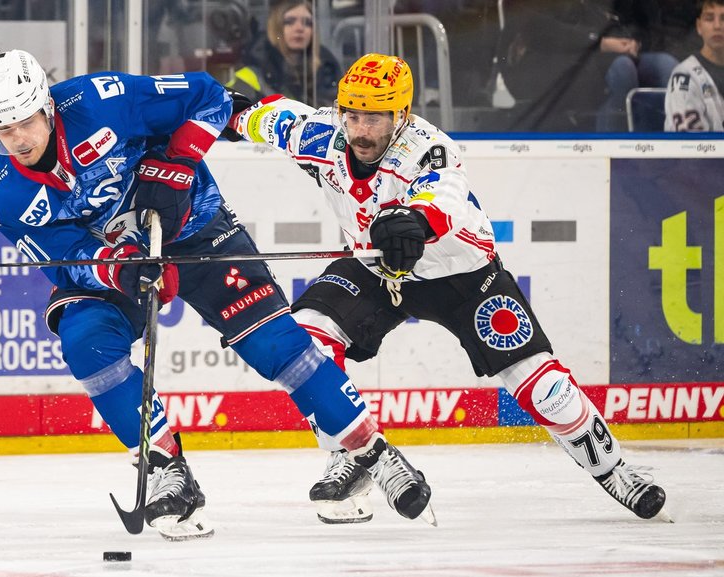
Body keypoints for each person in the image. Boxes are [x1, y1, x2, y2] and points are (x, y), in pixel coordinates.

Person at [0, 49, 434, 540]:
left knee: (277, 346)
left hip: (197, 229)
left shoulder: (102, 99)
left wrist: (177, 160)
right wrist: (121, 270)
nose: (16, 139)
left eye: (24, 122)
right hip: (120, 263)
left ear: (47, 107)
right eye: (2, 130)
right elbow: (66, 257)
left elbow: (209, 96)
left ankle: (373, 453)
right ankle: (166, 470)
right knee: (85, 341)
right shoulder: (1, 192)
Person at [225, 53, 668, 523]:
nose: (360, 130)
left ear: (401, 115)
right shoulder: (322, 134)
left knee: (543, 387)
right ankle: (351, 457)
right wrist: (228, 114)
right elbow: (268, 116)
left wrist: (413, 219)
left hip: (461, 272)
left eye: (374, 117)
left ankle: (615, 469)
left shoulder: (428, 147)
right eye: (352, 114)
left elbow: (446, 197)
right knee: (307, 339)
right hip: (376, 268)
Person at [498, 0, 677, 131]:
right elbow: (538, 30)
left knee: (666, 67)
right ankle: (613, 151)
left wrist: (631, 42)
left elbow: (619, 20)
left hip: (595, 55)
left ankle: (662, 154)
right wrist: (600, 42)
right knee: (622, 69)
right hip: (538, 65)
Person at [226, 0, 340, 108]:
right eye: (289, 22)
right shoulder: (253, 71)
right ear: (276, 27)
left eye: (307, 23)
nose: (299, 28)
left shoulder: (327, 68)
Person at [665, 0, 724, 132]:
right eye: (709, 19)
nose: (717, 26)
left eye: (723, 19)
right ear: (699, 26)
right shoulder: (685, 76)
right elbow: (689, 147)